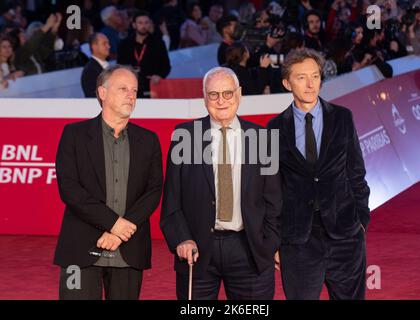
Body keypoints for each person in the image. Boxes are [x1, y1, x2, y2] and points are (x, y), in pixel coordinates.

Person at [161, 66, 282, 300]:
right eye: (213, 94)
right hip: (196, 251)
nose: (221, 100)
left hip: (250, 250)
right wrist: (181, 238)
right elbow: (172, 200)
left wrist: (268, 244)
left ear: (239, 94)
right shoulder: (185, 136)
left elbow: (274, 200)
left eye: (227, 93)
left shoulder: (264, 139)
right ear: (205, 98)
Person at [267, 48, 370, 300]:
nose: (311, 83)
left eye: (315, 76)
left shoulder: (343, 118)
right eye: (301, 77)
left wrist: (361, 223)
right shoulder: (272, 129)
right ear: (286, 83)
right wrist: (274, 241)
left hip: (345, 235)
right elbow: (268, 188)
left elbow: (356, 174)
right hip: (298, 241)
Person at [54, 65, 163, 300]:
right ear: (102, 93)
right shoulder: (74, 135)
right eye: (123, 88)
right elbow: (70, 189)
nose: (131, 95)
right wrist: (114, 223)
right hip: (81, 250)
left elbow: (153, 191)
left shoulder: (149, 140)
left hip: (129, 251)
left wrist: (120, 232)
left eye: (134, 90)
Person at [117, 11, 171, 98]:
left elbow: (166, 66)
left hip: (152, 86)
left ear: (150, 24)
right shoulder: (125, 44)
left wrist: (159, 76)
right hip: (130, 87)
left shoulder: (158, 43)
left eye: (146, 23)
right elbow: (119, 65)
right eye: (140, 23)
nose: (144, 26)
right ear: (134, 25)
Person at [81, 33, 110, 98]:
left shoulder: (108, 66)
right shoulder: (90, 71)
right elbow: (93, 96)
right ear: (94, 47)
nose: (108, 46)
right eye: (104, 43)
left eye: (108, 43)